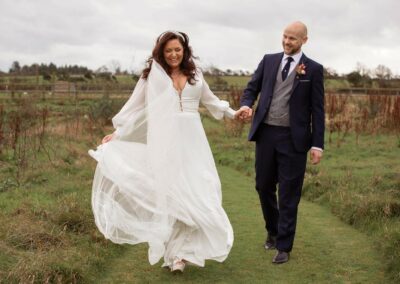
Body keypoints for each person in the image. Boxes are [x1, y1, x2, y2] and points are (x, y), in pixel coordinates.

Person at [89, 31, 236, 272]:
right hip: (165, 141)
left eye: (177, 49)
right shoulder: (151, 77)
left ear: (184, 50)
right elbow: (135, 108)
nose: (174, 54)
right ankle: (176, 257)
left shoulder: (195, 74)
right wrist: (117, 134)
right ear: (161, 53)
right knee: (172, 196)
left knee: (201, 191)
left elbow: (211, 101)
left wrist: (233, 113)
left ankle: (187, 250)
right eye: (168, 51)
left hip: (193, 142)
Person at [235, 21, 325, 264]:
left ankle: (284, 245)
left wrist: (317, 145)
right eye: (285, 37)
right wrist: (246, 104)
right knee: (263, 186)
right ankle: (273, 231)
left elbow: (318, 109)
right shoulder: (269, 60)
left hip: (294, 140)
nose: (287, 42)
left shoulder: (314, 70)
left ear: (304, 40)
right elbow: (251, 88)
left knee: (288, 193)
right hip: (266, 134)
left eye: (293, 39)